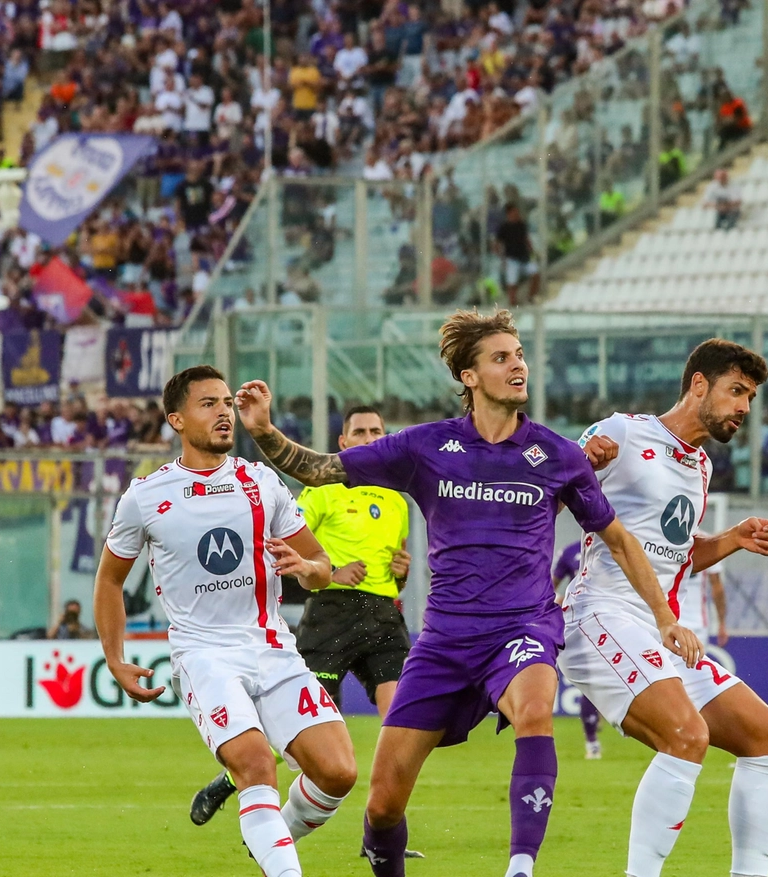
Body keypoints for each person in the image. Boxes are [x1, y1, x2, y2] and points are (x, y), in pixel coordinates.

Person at [234, 310, 677, 877]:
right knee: (384, 803)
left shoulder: (558, 455)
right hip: (444, 641)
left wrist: (663, 615)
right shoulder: (426, 447)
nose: (518, 364)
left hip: (523, 627)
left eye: (519, 355)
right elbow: (322, 469)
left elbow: (617, 537)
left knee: (536, 710)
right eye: (501, 357)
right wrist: (265, 431)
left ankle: (520, 867)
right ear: (469, 376)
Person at [95, 366, 356, 877]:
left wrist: (309, 570)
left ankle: (270, 839)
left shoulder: (261, 482)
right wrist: (115, 657)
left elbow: (322, 568)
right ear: (176, 419)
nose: (223, 413)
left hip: (273, 648)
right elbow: (109, 582)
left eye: (225, 402)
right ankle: (284, 868)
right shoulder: (145, 496)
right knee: (256, 763)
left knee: (339, 772)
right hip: (204, 656)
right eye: (207, 404)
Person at [562, 339, 768, 877]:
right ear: (698, 385)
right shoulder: (621, 430)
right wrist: (583, 463)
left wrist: (732, 538)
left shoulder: (700, 467)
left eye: (751, 398)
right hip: (599, 614)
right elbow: (551, 481)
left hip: (656, 627)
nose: (744, 408)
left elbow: (676, 555)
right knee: (687, 736)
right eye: (737, 391)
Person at [187, 406, 416, 835]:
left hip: (384, 617)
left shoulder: (397, 501)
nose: (369, 438)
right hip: (331, 615)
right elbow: (286, 549)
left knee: (402, 720)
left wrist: (401, 574)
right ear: (343, 443)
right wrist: (332, 570)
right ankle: (232, 779)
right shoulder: (323, 491)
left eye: (377, 432)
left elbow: (395, 570)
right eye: (359, 432)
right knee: (305, 734)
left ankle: (383, 831)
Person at [552, 540, 605, 760]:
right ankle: (592, 741)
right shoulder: (570, 551)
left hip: (620, 620)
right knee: (591, 683)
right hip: (584, 625)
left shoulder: (617, 544)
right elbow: (549, 588)